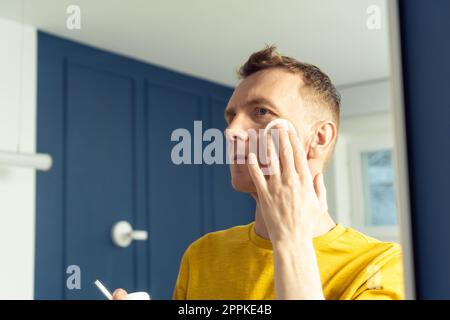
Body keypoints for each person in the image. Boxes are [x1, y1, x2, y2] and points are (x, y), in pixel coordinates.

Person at [113, 45, 404, 300]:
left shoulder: (382, 267)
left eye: (262, 112)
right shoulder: (202, 254)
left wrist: (289, 238)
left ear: (319, 138)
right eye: (231, 117)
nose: (231, 132)